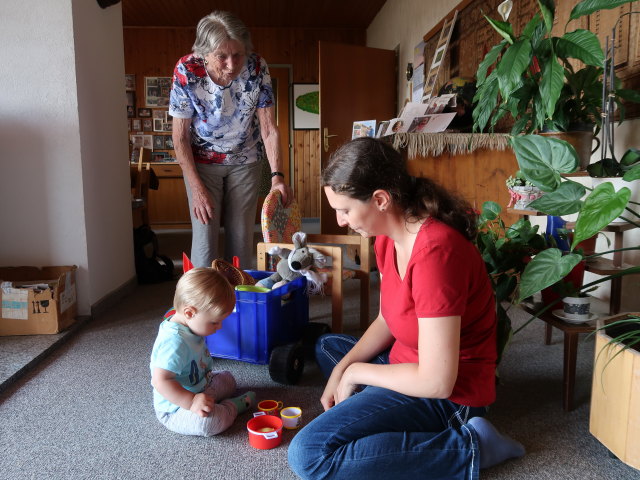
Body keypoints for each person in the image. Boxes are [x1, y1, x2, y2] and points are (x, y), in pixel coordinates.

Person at [288, 137, 524, 479]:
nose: (340, 221)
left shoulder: (435, 254)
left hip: (450, 394)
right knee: (329, 349)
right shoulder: (387, 236)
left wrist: (354, 373)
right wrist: (345, 368)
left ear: (381, 199)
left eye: (345, 210)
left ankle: (471, 445)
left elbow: (437, 381)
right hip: (407, 361)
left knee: (309, 454)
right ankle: (381, 412)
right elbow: (389, 317)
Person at [169, 11, 292, 268]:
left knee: (241, 236)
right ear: (204, 52)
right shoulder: (186, 70)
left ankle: (238, 299)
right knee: (204, 237)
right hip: (201, 162)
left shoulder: (258, 67)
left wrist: (277, 177)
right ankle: (204, 302)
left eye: (237, 54)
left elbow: (269, 128)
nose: (231, 64)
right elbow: (179, 138)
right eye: (221, 56)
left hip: (246, 158)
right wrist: (197, 189)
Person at [150, 267, 255, 437]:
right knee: (209, 423)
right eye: (214, 322)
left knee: (228, 380)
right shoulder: (174, 342)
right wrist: (191, 402)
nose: (219, 327)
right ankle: (233, 406)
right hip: (176, 408)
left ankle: (212, 400)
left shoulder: (190, 323)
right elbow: (160, 381)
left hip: (201, 386)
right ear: (189, 313)